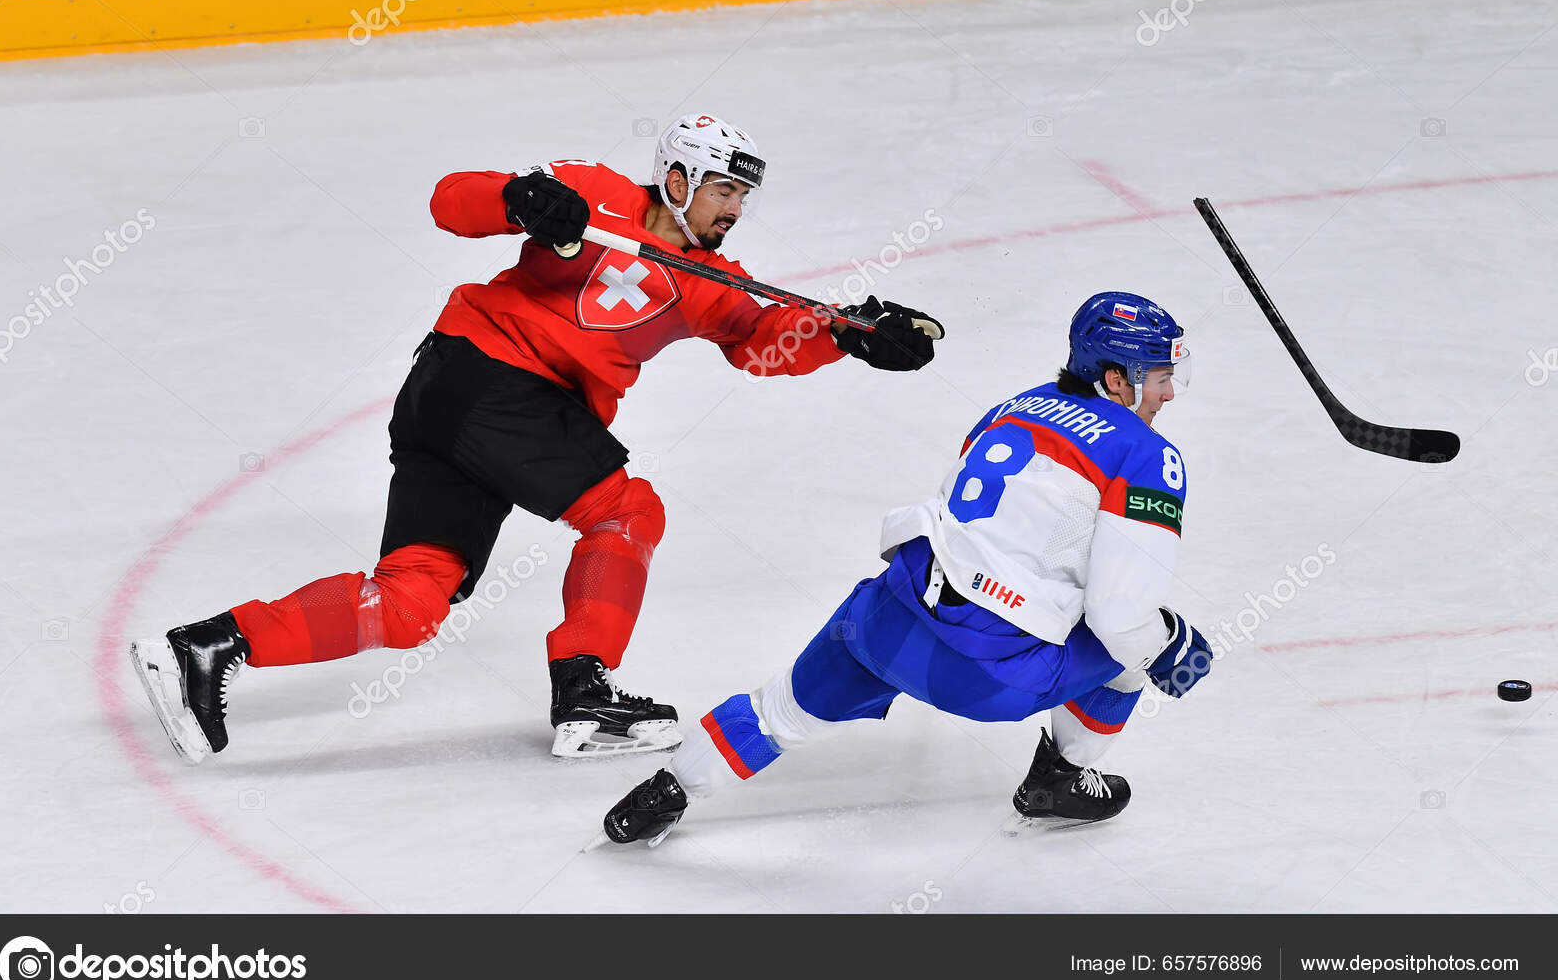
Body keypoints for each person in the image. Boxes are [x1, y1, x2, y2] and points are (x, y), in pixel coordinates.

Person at [131, 114, 943, 763]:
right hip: (487, 381)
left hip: (458, 402)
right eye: (724, 190)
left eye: (743, 197)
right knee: (627, 512)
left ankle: (208, 647)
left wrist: (848, 335)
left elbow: (763, 341)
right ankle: (585, 688)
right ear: (678, 177)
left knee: (413, 601)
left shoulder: (708, 282)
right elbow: (451, 200)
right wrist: (520, 198)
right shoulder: (592, 196)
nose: (733, 210)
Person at [599, 291, 1211, 845]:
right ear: (1114, 380)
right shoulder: (1147, 454)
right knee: (1144, 643)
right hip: (988, 675)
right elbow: (1119, 614)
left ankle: (665, 793)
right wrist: (1174, 652)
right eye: (1159, 377)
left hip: (886, 620)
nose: (1169, 392)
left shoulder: (1016, 406)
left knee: (778, 710)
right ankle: (1062, 777)